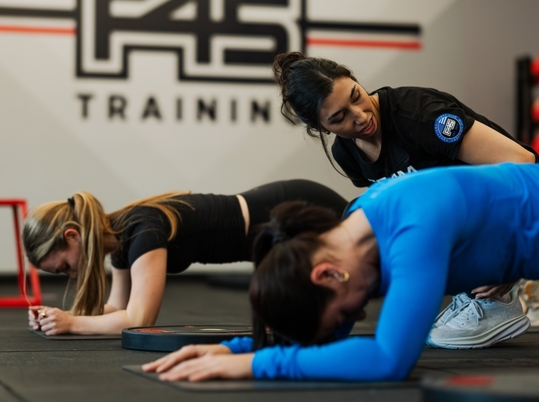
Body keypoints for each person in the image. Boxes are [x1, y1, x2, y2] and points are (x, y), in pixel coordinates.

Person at [143, 162, 539, 382]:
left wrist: (255, 365)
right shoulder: (353, 239)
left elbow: (389, 360)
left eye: (345, 313)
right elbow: (327, 341)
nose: (359, 315)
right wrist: (235, 349)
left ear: (327, 275)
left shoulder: (413, 227)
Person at [272, 51, 539, 348]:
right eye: (339, 117)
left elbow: (523, 163)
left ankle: (505, 294)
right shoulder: (347, 154)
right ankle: (474, 288)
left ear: (356, 81)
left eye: (356, 96)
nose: (360, 116)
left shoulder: (418, 115)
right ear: (323, 128)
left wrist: (510, 260)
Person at [23, 180, 348, 335]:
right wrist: (60, 316)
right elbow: (118, 307)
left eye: (64, 266)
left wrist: (72, 324)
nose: (72, 274)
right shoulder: (119, 238)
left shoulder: (142, 230)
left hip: (297, 208)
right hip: (279, 228)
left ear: (72, 235)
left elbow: (138, 319)